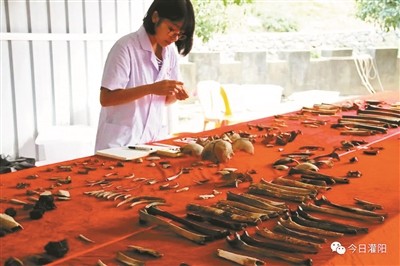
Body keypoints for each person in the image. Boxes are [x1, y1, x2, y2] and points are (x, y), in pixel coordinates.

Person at [95, 0, 195, 151]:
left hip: (152, 141)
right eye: (171, 29)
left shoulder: (170, 52)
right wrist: (151, 88)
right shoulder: (125, 47)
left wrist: (176, 93)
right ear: (155, 17)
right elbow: (106, 98)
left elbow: (166, 100)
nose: (174, 38)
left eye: (179, 35)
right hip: (120, 142)